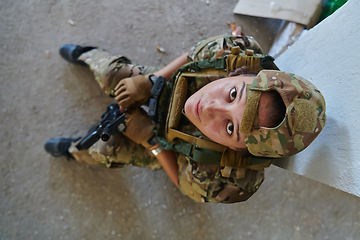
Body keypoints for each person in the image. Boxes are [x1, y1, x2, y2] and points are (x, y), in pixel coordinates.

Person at [45, 35, 326, 203]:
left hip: (169, 148)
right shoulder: (237, 52)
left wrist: (150, 141)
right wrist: (150, 81)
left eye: (230, 128)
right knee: (114, 76)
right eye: (232, 94)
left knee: (105, 148)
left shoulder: (231, 178)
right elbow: (193, 55)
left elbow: (181, 181)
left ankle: (74, 151)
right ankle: (87, 55)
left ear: (238, 150)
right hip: (167, 90)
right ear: (241, 73)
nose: (211, 109)